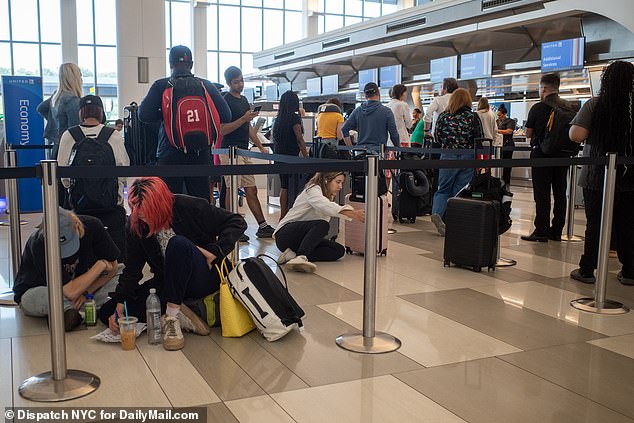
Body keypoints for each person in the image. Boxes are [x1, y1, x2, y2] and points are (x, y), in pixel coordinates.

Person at [99, 177, 247, 351]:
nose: (142, 217)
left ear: (159, 205)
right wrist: (119, 303)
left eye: (146, 212)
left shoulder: (188, 206)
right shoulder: (136, 225)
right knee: (107, 312)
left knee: (177, 244)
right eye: (137, 211)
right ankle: (183, 310)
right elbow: (132, 269)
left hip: (202, 276)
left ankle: (171, 318)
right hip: (169, 282)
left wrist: (215, 250)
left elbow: (236, 221)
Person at [568, 61, 634, 285]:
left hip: (597, 175)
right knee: (627, 223)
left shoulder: (595, 105)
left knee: (595, 222)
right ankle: (630, 270)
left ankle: (587, 269)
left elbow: (576, 135)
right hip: (629, 177)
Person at [138, 45, 232, 200]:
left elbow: (144, 115)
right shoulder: (206, 85)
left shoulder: (161, 85)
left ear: (170, 64)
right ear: (192, 64)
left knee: (168, 202)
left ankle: (171, 225)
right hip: (200, 154)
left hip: (169, 153)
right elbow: (226, 115)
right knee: (200, 202)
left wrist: (165, 116)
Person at [13, 208, 120, 331]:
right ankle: (82, 310)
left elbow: (114, 267)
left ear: (77, 226)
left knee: (122, 275)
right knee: (49, 297)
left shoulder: (93, 225)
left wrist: (86, 293)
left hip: (83, 288)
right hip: (44, 290)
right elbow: (70, 292)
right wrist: (99, 266)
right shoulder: (38, 243)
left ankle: (70, 312)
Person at [57, 95, 130, 261]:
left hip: (79, 209)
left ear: (81, 112)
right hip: (110, 207)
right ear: (101, 112)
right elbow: (123, 170)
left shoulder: (69, 135)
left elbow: (64, 178)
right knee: (115, 252)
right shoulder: (113, 135)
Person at [219, 66, 275, 238]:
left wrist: (260, 145)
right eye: (236, 82)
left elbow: (248, 126)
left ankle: (263, 225)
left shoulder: (243, 100)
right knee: (232, 189)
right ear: (229, 83)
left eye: (241, 80)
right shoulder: (224, 100)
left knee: (251, 189)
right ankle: (231, 227)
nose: (240, 84)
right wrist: (243, 118)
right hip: (230, 151)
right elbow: (222, 130)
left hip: (244, 150)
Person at [521, 73, 576, 242]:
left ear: (543, 88)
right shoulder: (570, 107)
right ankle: (557, 231)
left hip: (541, 154)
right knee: (560, 192)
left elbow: (528, 133)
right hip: (564, 155)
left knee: (542, 193)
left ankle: (542, 231)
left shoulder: (538, 107)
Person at [275, 172, 365, 273]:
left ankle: (292, 255)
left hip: (301, 239)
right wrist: (352, 213)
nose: (340, 186)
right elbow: (324, 205)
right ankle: (301, 256)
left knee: (338, 250)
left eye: (342, 183)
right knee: (322, 224)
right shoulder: (313, 189)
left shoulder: (328, 196)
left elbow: (328, 207)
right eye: (338, 182)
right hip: (284, 236)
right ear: (326, 180)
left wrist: (351, 214)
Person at [430, 88, 483, 236]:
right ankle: (454, 219)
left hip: (447, 155)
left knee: (443, 188)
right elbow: (479, 137)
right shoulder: (472, 117)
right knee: (460, 189)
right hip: (467, 157)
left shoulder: (443, 116)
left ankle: (437, 213)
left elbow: (437, 137)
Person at [272, 90, 310, 220]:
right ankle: (289, 216)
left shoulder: (278, 119)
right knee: (292, 186)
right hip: (291, 157)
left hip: (279, 157)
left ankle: (283, 215)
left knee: (285, 186)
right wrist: (306, 157)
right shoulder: (294, 118)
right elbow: (299, 138)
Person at [37, 63, 83, 159]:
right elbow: (75, 132)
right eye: (80, 75)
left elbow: (41, 108)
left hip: (57, 146)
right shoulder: (73, 101)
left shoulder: (56, 97)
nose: (82, 79)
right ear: (75, 78)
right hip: (68, 150)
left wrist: (54, 122)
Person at [341, 82, 399, 147]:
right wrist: (398, 148)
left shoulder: (357, 111)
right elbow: (394, 135)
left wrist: (350, 148)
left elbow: (344, 129)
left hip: (361, 152)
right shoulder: (387, 111)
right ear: (378, 93)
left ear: (365, 96)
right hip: (379, 153)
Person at [496, 104, 516, 187]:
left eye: (500, 115)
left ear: (504, 114)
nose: (499, 117)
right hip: (499, 144)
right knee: (499, 163)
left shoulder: (510, 121)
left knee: (507, 164)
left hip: (508, 144)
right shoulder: (497, 121)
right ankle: (498, 180)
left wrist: (497, 131)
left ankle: (506, 181)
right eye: (498, 115)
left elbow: (509, 131)